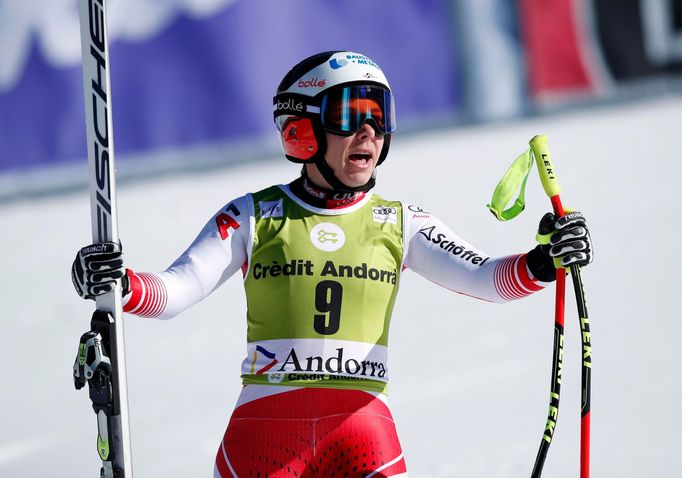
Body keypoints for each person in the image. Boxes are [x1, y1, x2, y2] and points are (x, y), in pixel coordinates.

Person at [71, 51, 593, 477]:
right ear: (303, 130)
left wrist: (546, 261)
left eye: (378, 115)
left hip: (362, 430)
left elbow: (485, 278)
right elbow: (176, 290)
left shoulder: (400, 220)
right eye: (348, 114)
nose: (368, 131)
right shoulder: (254, 214)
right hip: (265, 432)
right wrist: (121, 283)